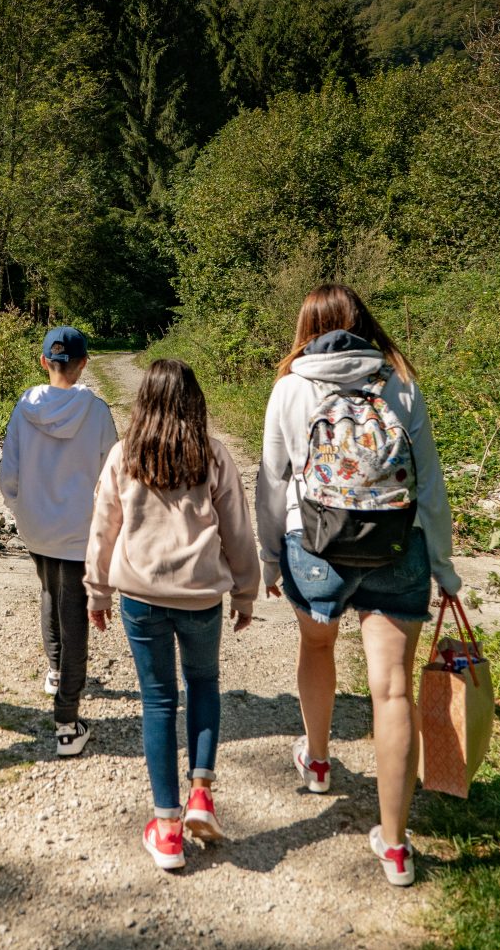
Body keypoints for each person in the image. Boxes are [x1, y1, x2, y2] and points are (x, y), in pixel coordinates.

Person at [255, 284, 462, 887]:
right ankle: (395, 847)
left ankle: (318, 763)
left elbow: (272, 482)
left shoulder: (291, 386)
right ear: (362, 322)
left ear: (307, 328)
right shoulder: (399, 382)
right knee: (393, 690)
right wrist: (444, 567)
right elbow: (430, 486)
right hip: (397, 545)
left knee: (317, 647)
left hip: (314, 545)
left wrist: (271, 558)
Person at [85, 359, 259, 870]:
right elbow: (238, 532)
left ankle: (166, 829)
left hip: (141, 596)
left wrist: (97, 592)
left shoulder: (124, 456)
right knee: (203, 683)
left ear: (144, 402)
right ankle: (201, 793)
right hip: (201, 596)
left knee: (159, 701)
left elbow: (102, 530)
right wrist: (245, 592)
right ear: (195, 403)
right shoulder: (213, 457)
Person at [0, 326, 117, 757]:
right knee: (76, 615)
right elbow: (113, 473)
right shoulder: (98, 412)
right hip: (80, 528)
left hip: (36, 526)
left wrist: (21, 507)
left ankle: (55, 669)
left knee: (50, 590)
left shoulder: (23, 408)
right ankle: (67, 722)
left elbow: (7, 473)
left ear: (44, 362)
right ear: (84, 362)